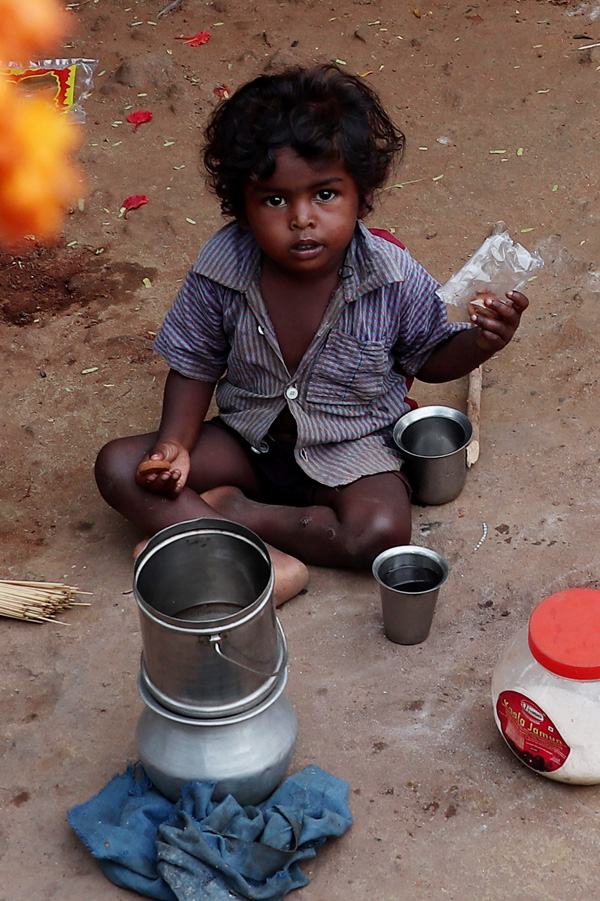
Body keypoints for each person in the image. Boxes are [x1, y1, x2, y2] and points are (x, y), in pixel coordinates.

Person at [95, 64, 529, 604]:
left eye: (325, 194)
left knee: (381, 533)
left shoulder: (390, 274)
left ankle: (226, 520)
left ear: (362, 198)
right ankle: (250, 554)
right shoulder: (223, 265)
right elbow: (193, 364)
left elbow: (431, 357)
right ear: (242, 207)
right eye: (275, 200)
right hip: (248, 442)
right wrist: (174, 446)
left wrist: (483, 342)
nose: (301, 218)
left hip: (352, 447)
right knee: (119, 466)